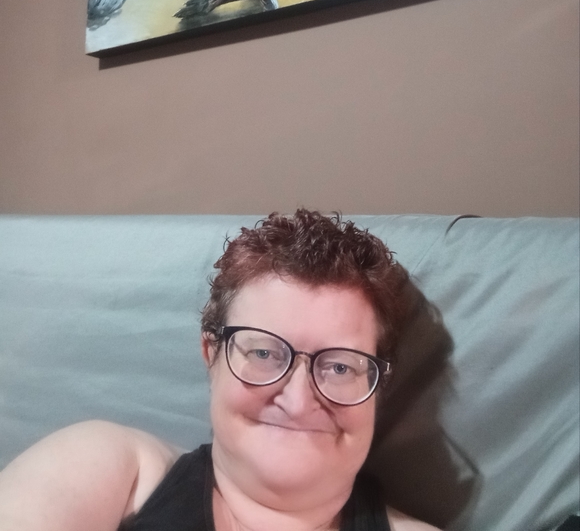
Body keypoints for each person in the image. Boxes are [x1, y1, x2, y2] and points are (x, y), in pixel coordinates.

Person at [0, 209, 440, 531]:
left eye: (340, 366)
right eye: (264, 353)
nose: (299, 400)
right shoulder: (115, 472)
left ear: (377, 386)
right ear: (211, 355)